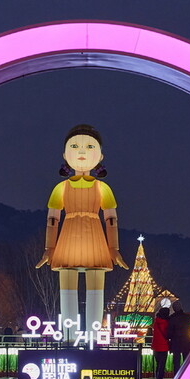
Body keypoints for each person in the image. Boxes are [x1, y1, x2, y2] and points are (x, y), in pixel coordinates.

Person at [36, 125, 129, 340]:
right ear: (65, 154)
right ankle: (69, 337)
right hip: (68, 237)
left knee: (96, 283)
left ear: (100, 155)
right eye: (75, 146)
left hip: (95, 238)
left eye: (89, 146)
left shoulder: (102, 188)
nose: (81, 152)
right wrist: (49, 248)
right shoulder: (60, 188)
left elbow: (111, 219)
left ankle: (93, 337)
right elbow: (52, 219)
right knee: (67, 283)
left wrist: (114, 249)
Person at [167, 300, 190, 374]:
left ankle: (177, 377)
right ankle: (186, 375)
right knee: (186, 361)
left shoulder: (172, 318)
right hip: (187, 341)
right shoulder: (188, 318)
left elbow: (170, 333)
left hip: (176, 342)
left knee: (176, 362)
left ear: (174, 309)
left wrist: (168, 338)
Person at [151, 307, 171, 379]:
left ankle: (157, 378)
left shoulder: (156, 321)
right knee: (162, 365)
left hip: (156, 345)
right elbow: (167, 334)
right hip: (163, 346)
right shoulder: (166, 322)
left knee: (158, 363)